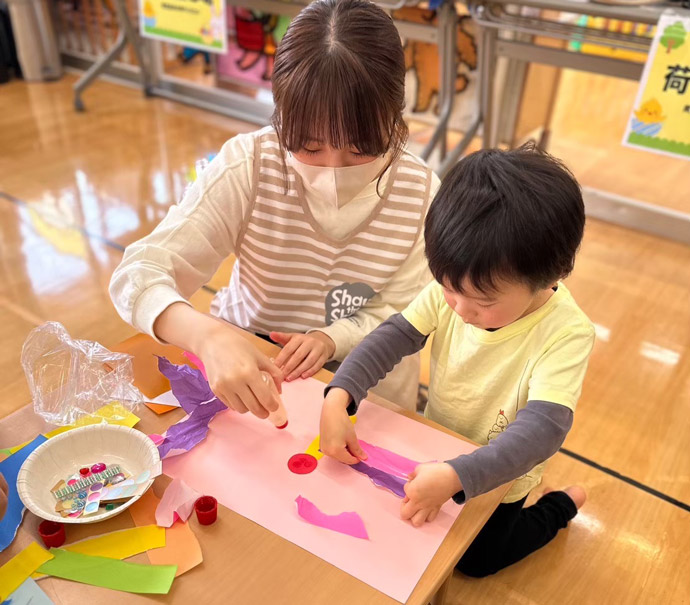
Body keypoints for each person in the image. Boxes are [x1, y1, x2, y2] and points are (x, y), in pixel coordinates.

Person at [110, 0, 439, 418]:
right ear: (282, 117)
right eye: (309, 147)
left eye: (361, 149)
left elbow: (407, 312)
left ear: (395, 117)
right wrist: (207, 336)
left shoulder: (421, 193)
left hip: (369, 378)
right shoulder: (250, 164)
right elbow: (137, 276)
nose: (331, 170)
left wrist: (330, 338)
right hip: (252, 361)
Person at [320, 144, 595, 577]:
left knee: (476, 562)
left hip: (503, 473)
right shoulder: (458, 286)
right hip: (440, 446)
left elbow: (543, 430)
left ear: (550, 275)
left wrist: (457, 476)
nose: (460, 308)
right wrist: (340, 394)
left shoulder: (566, 333)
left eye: (482, 301)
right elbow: (393, 337)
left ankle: (560, 507)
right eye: (448, 289)